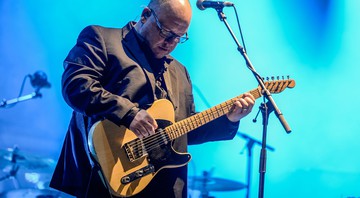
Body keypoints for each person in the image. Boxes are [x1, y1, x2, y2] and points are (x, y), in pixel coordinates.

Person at [50, 0, 255, 197]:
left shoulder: (180, 71)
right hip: (107, 177)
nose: (171, 43)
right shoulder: (102, 39)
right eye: (166, 33)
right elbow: (76, 86)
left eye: (179, 37)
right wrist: (129, 114)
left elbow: (183, 133)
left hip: (165, 186)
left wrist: (229, 120)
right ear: (145, 15)